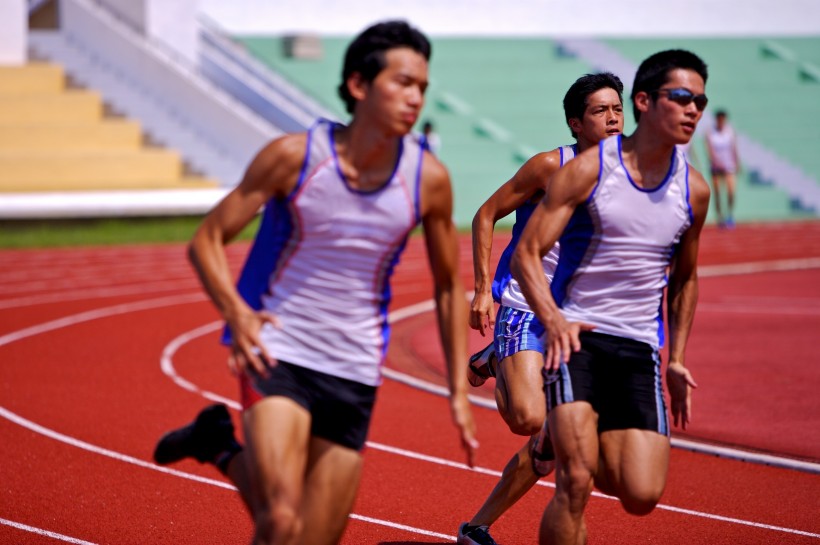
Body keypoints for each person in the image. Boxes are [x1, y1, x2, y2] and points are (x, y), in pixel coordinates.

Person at [152, 20, 478, 545]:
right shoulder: (294, 157)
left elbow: (446, 287)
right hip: (279, 349)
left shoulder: (429, 180)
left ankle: (216, 445)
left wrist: (458, 390)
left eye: (422, 86)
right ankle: (222, 445)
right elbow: (207, 240)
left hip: (353, 367)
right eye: (402, 82)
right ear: (358, 85)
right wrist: (237, 313)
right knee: (280, 520)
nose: (415, 97)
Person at [510, 49, 710, 545]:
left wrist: (678, 358)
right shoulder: (587, 171)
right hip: (574, 342)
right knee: (574, 482)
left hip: (638, 349)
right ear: (645, 101)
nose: (693, 110)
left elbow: (685, 278)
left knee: (641, 494)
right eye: (681, 97)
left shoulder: (695, 190)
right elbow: (526, 254)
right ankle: (566, 441)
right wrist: (552, 320)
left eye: (700, 101)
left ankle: (565, 439)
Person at [458, 72, 625, 545]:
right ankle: (494, 356)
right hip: (526, 305)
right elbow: (485, 214)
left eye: (617, 109)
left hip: (584, 323)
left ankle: (476, 529)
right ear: (576, 123)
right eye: (600, 111)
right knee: (528, 418)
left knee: (553, 444)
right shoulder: (548, 167)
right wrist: (480, 290)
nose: (613, 119)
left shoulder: (633, 174)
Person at [706, 109, 740, 227]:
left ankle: (730, 213)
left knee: (731, 191)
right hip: (716, 166)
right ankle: (720, 216)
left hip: (729, 165)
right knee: (717, 193)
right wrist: (716, 162)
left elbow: (734, 148)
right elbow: (710, 150)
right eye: (719, 119)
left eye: (723, 119)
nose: (721, 121)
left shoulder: (730, 131)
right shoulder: (710, 132)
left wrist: (737, 162)